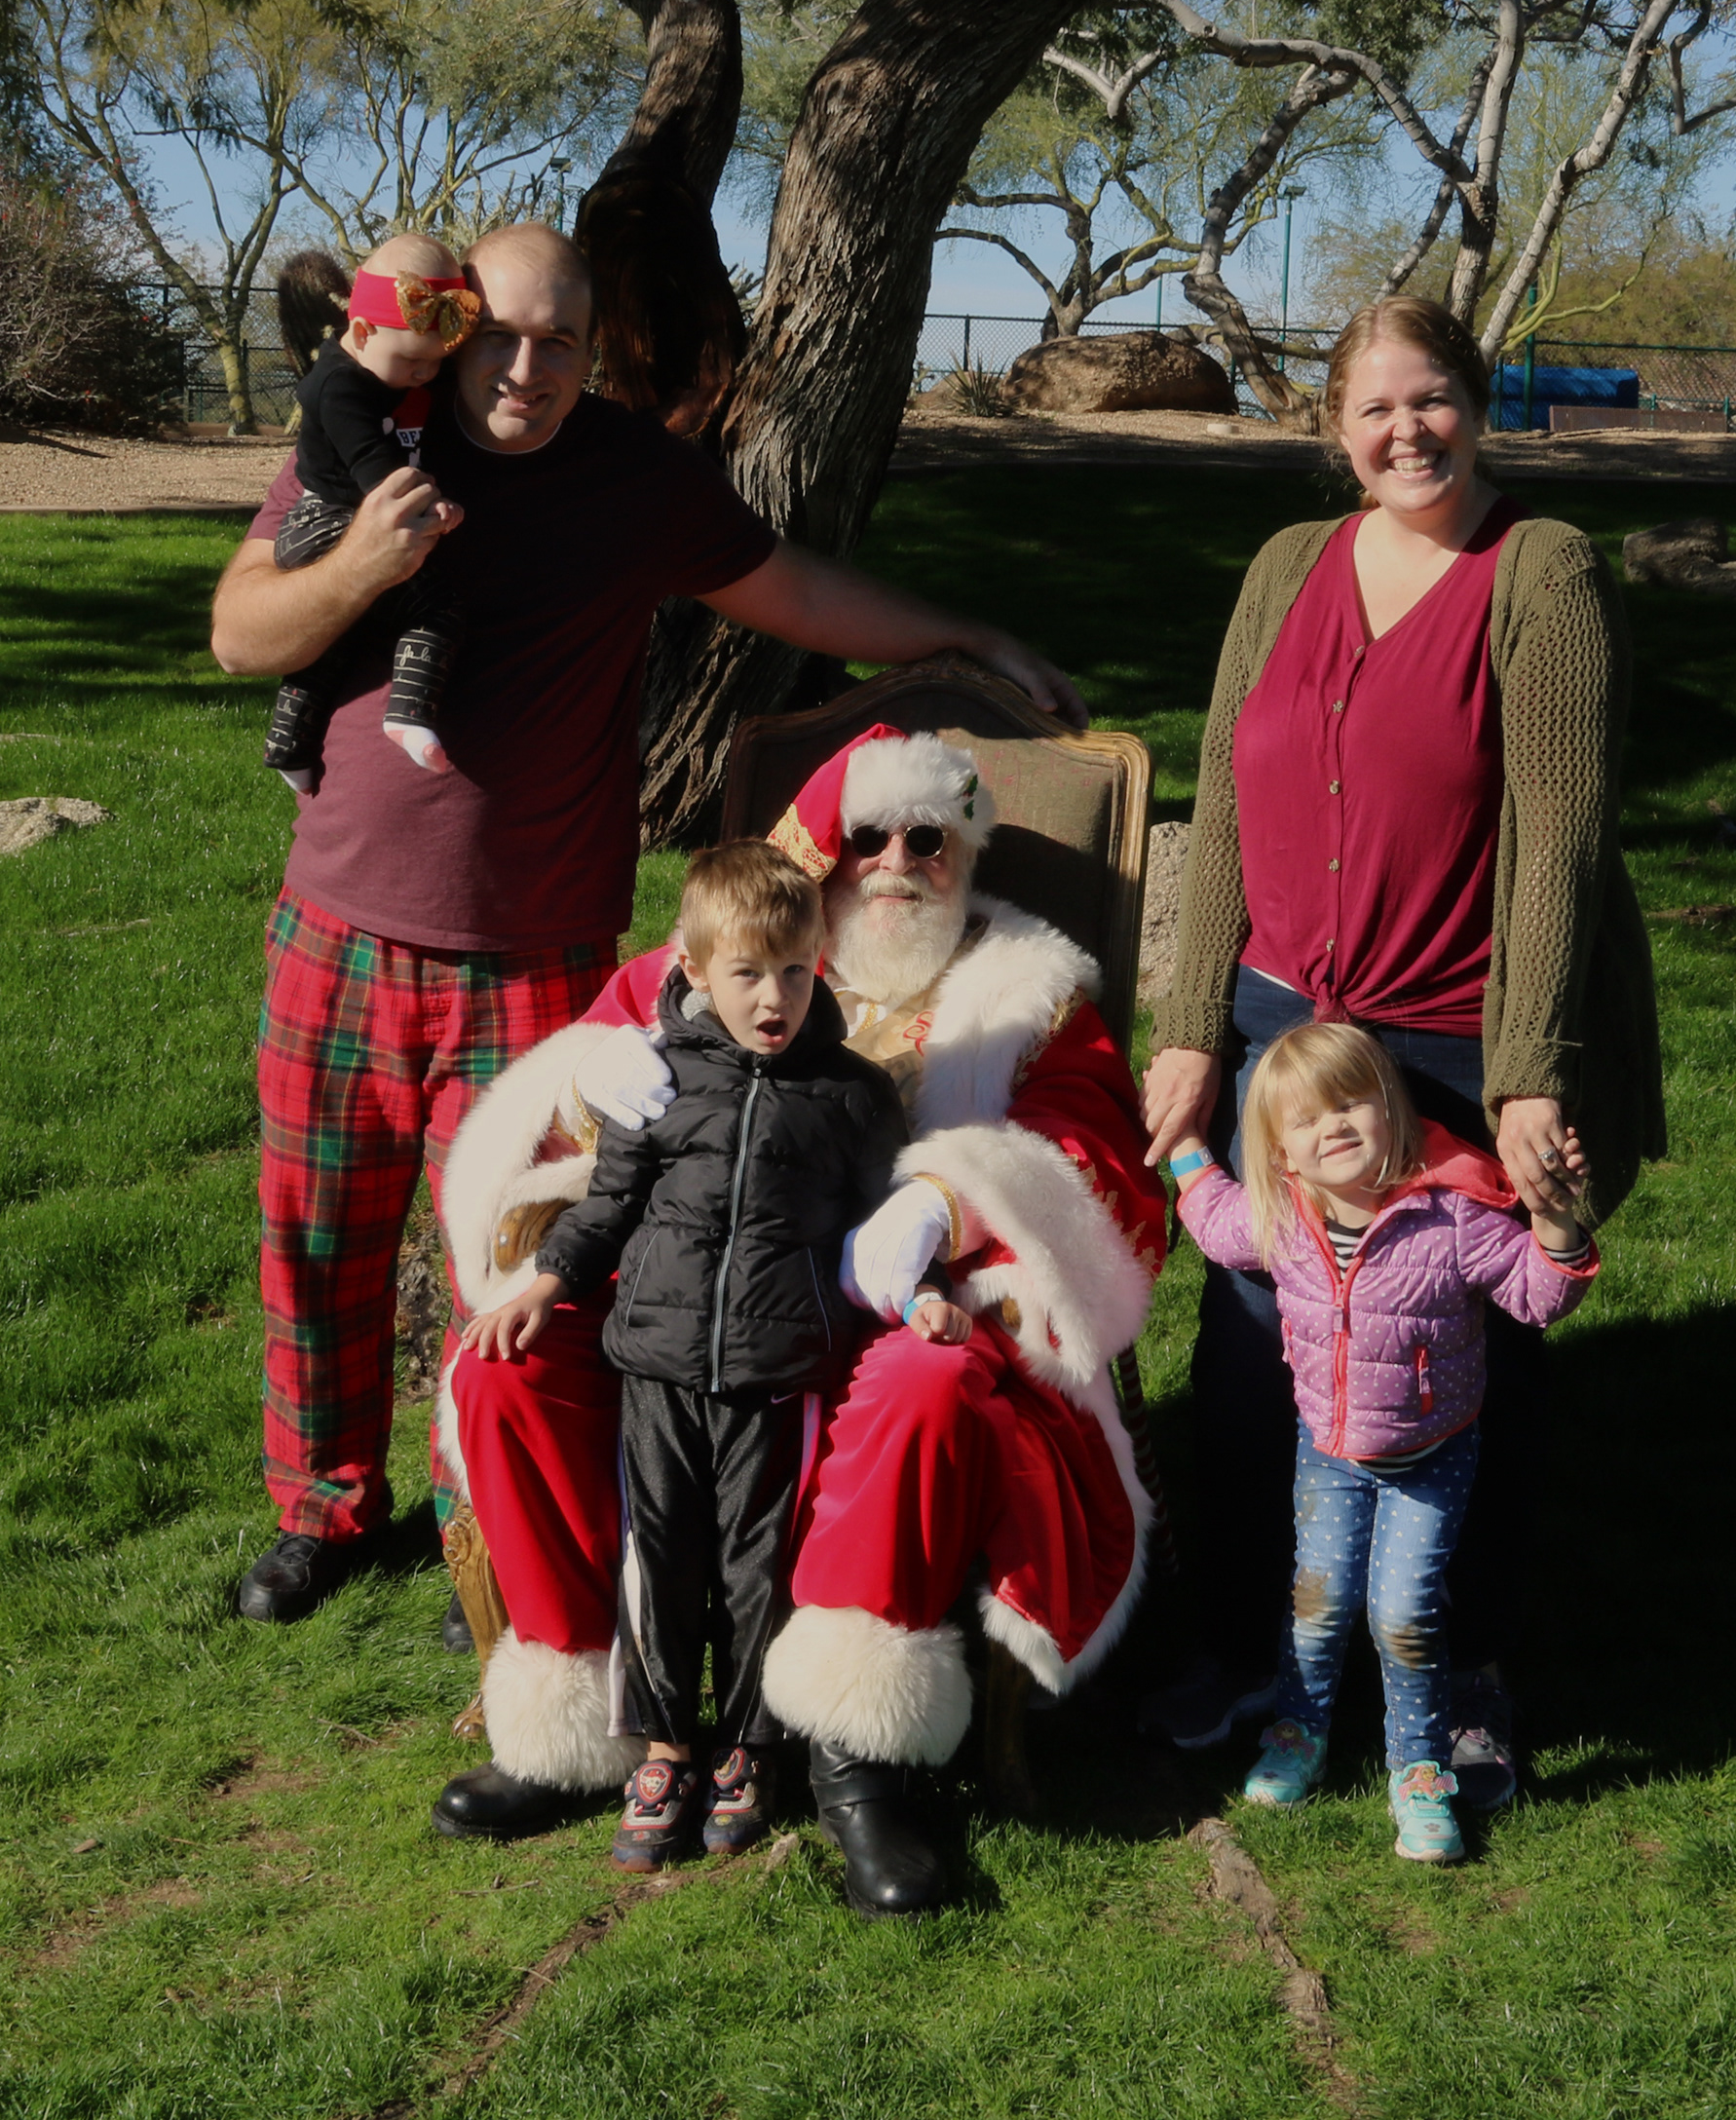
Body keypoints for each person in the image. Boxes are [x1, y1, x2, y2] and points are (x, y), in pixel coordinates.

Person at [210, 221, 1088, 1633]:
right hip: (340, 930)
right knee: (318, 1238)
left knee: (527, 1254)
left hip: (536, 947)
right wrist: (365, 560)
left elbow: (795, 589)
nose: (529, 366)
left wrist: (965, 638)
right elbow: (243, 634)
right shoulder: (372, 427)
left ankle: (491, 1521)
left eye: (562, 340)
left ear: (593, 352)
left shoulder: (633, 477)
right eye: (501, 333)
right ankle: (322, 1510)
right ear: (452, 325)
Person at [433, 727, 1165, 1917]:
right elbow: (576, 1142)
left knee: (927, 1384)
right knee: (505, 1369)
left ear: (965, 853)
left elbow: (1098, 1158)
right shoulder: (716, 962)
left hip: (903, 1305)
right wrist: (586, 1074)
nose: (897, 862)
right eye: (867, 836)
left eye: (929, 838)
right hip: (693, 1302)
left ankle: (854, 1759)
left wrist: (947, 1199)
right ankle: (575, 1724)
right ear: (819, 856)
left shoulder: (1025, 993)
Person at [1139, 294, 1664, 1805]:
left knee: (1463, 1359)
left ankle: (1469, 1665)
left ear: (1475, 404)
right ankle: (1250, 1648)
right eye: (1373, 407)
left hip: (1451, 1033)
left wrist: (1531, 1066)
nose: (1405, 430)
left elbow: (1563, 832)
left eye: (1429, 398)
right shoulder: (1286, 566)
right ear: (1336, 428)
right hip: (1279, 1030)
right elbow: (1221, 800)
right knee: (1257, 1349)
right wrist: (1189, 1027)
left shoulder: (1540, 571)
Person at [463, 841, 913, 1871]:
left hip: (777, 1375)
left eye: (795, 971)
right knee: (658, 1560)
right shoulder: (659, 1081)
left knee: (758, 1569)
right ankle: (666, 1745)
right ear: (699, 971)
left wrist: (915, 1292)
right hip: (658, 1369)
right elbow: (610, 1204)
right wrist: (545, 1282)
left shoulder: (852, 1096)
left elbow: (880, 1230)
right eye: (747, 973)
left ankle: (750, 1746)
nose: (774, 997)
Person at [1168, 1023, 1596, 1866]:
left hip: (1431, 1460)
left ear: (1391, 1108)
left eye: (1349, 1104)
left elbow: (1539, 1298)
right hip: (1328, 1454)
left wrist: (1554, 1219)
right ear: (1279, 1150)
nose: (1332, 1127)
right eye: (1305, 1119)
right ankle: (1300, 1734)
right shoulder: (1280, 1219)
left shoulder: (1454, 1219)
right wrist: (1182, 1139)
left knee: (1403, 1614)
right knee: (1318, 1604)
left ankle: (1420, 1773)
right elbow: (1215, 1222)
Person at [264, 232, 480, 788]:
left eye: (437, 362)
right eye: (413, 362)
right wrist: (429, 505)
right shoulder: (338, 388)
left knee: (341, 633)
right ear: (361, 332)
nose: (426, 375)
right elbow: (374, 468)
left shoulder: (392, 364)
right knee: (436, 604)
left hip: (340, 516)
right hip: (322, 520)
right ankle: (408, 714)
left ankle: (289, 746)